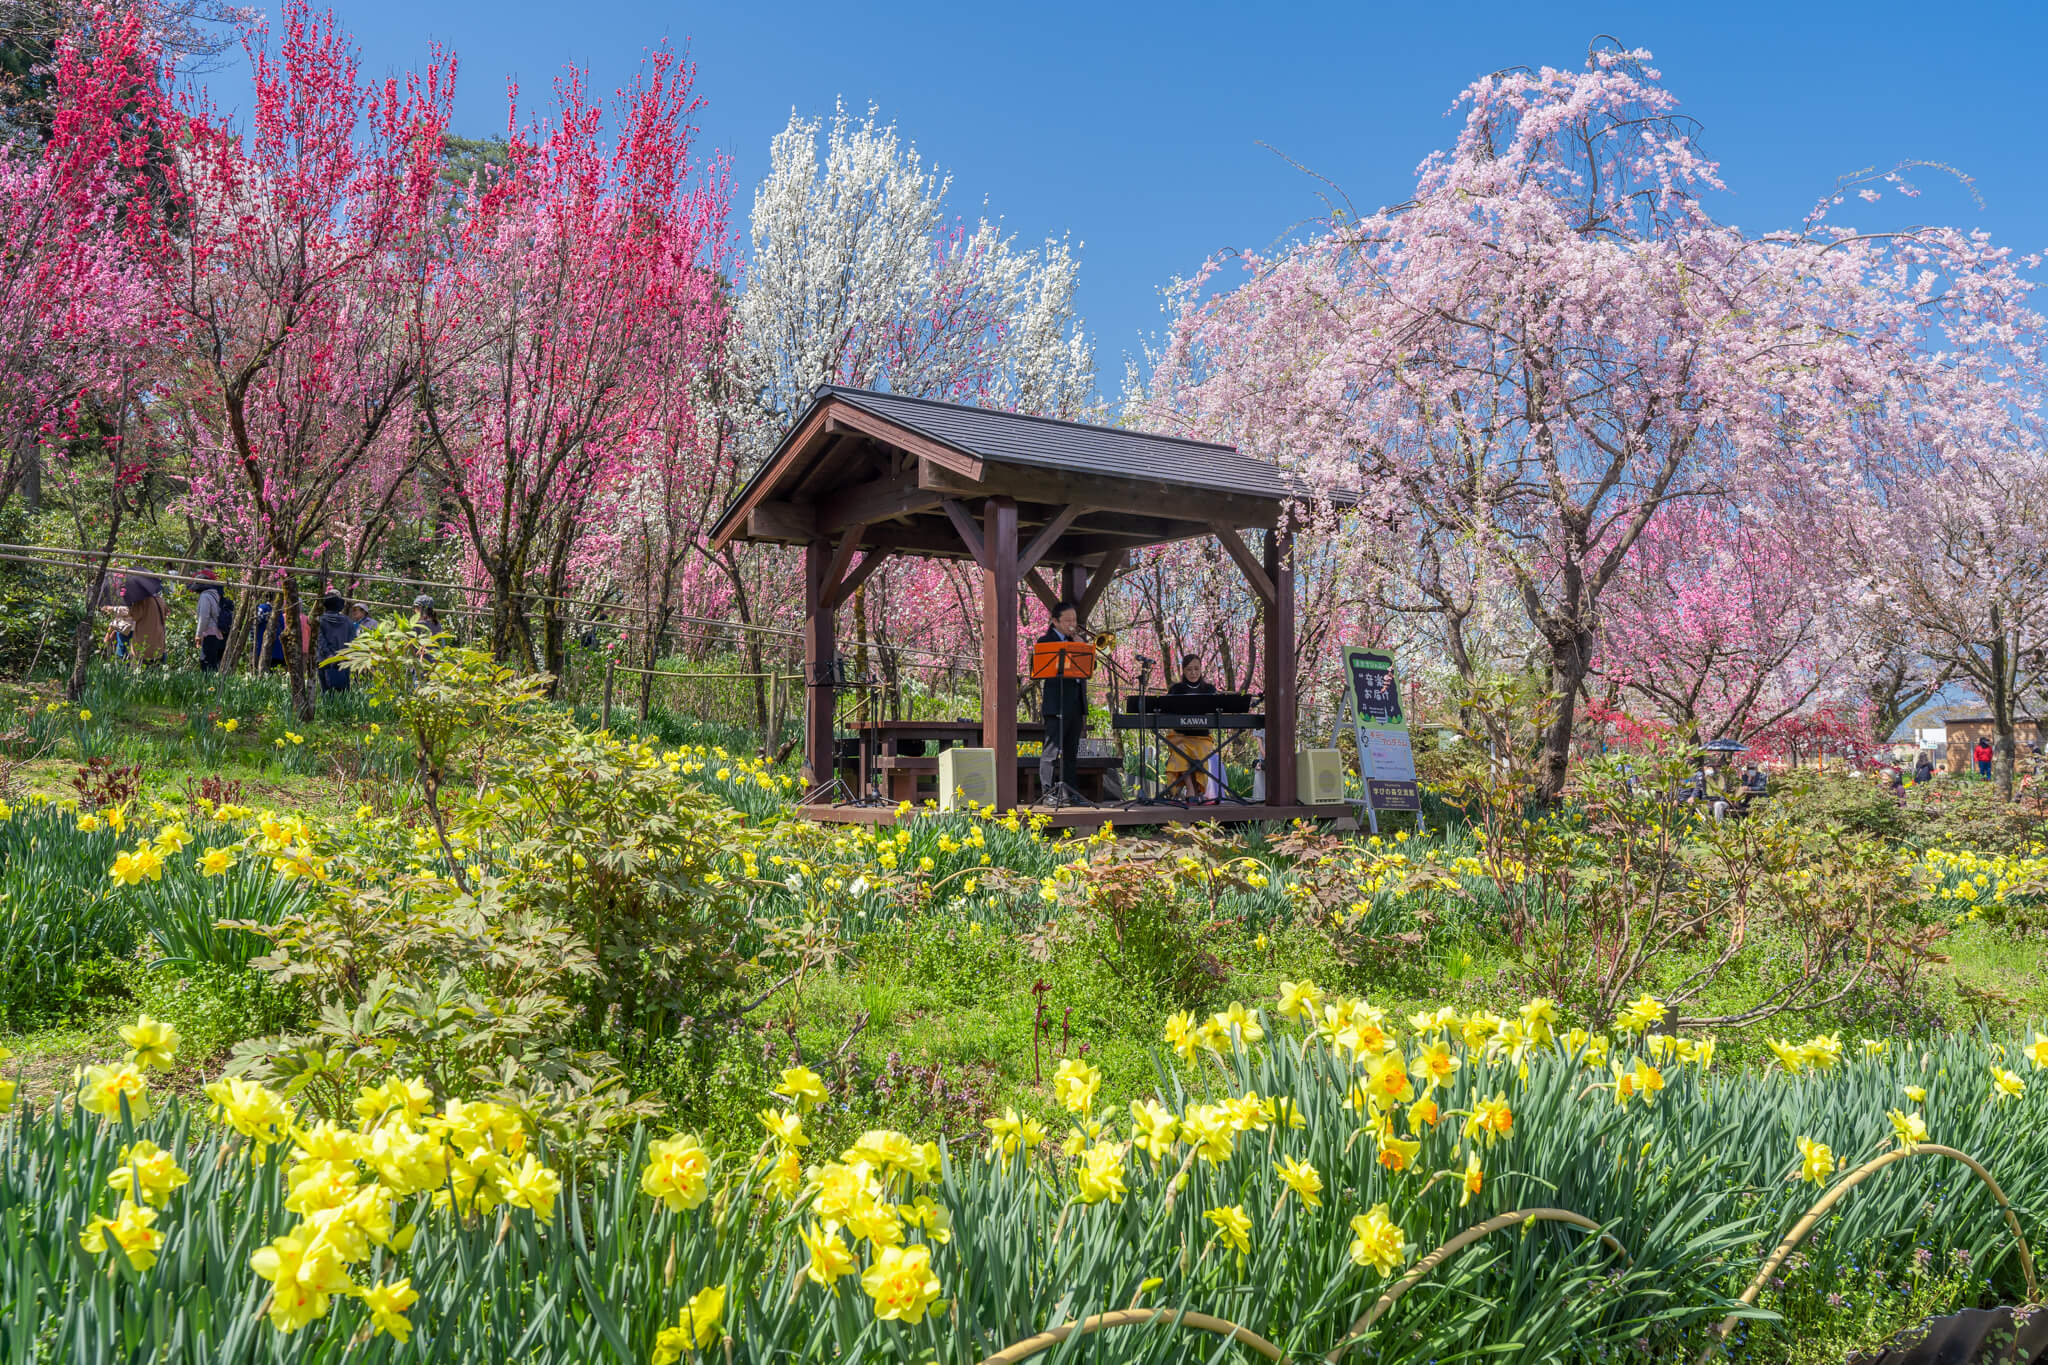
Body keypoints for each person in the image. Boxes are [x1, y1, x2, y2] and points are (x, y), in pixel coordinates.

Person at [1036, 599, 1087, 802]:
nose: (1072, 624)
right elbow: (1042, 671)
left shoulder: (1077, 641)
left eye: (1074, 620)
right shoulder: (1045, 642)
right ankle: (1048, 793)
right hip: (1056, 704)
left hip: (1075, 703)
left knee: (1071, 752)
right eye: (1067, 621)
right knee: (1051, 751)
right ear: (1055, 621)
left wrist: (1082, 648)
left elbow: (1087, 672)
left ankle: (1071, 793)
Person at [1165, 653, 1220, 802]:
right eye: (1189, 669)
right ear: (1183, 670)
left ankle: (1197, 790)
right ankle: (1190, 789)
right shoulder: (1176, 689)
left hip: (1202, 737)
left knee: (1201, 754)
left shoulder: (1209, 689)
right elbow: (1167, 711)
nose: (1193, 673)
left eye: (1196, 669)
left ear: (1201, 669)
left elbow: (1216, 710)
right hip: (1180, 736)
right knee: (1180, 750)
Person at [315, 593, 358, 693]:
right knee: (343, 693)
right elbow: (353, 642)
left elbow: (320, 641)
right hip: (343, 661)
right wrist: (342, 657)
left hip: (324, 661)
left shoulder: (320, 621)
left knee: (326, 693)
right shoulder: (348, 622)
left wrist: (330, 656)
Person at [191, 570, 231, 673]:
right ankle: (212, 685)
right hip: (216, 633)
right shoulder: (215, 595)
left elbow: (204, 617)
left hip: (209, 633)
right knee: (213, 663)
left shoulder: (205, 596)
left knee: (206, 663)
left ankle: (207, 686)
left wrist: (198, 635)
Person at [122, 569, 165, 664]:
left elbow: (135, 616)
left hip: (144, 645)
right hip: (158, 643)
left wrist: (132, 605)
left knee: (139, 673)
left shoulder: (143, 602)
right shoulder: (160, 600)